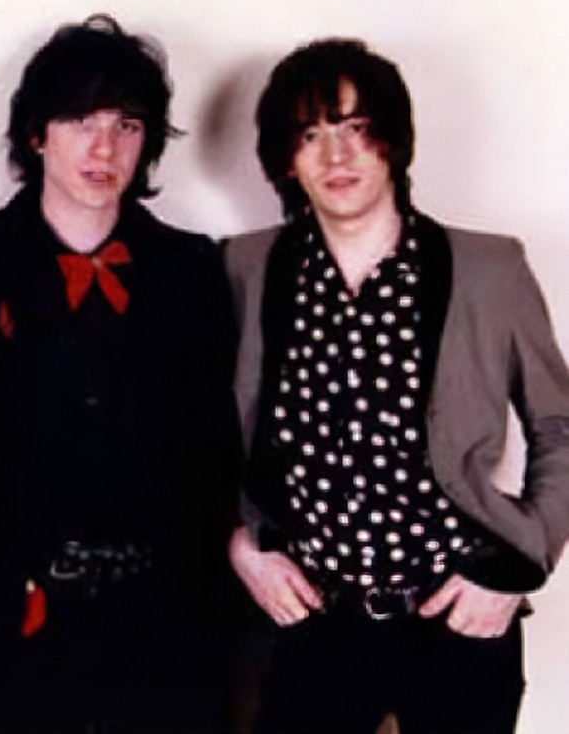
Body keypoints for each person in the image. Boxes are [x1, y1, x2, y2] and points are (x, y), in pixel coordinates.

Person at [225, 38, 569, 734]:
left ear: (393, 143)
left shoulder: (488, 269)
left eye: (356, 128)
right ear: (286, 160)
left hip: (455, 612)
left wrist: (523, 561)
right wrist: (242, 543)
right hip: (311, 617)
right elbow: (200, 425)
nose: (336, 156)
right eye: (311, 135)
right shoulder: (247, 266)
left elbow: (558, 428)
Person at [0, 14, 241, 734]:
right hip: (11, 629)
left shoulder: (193, 268)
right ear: (36, 134)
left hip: (165, 632)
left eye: (126, 125)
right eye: (79, 121)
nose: (104, 148)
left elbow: (217, 450)